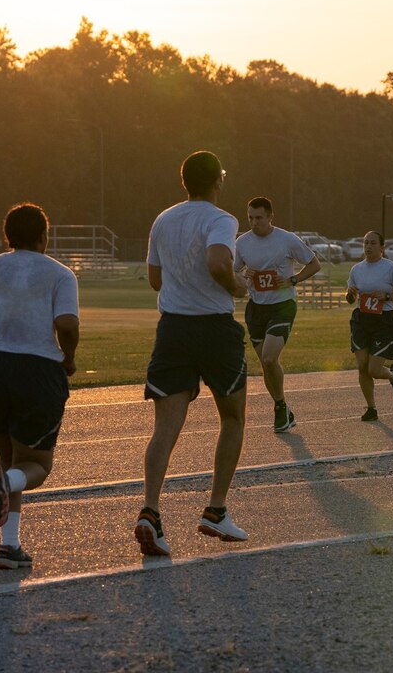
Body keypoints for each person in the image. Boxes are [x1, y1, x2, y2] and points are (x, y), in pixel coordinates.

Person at [135, 150, 249, 557]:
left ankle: (150, 510)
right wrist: (237, 286)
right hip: (215, 329)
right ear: (218, 181)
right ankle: (215, 510)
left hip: (172, 329)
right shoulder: (222, 220)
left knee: (165, 428)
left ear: (184, 181)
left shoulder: (163, 219)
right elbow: (218, 261)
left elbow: (154, 279)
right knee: (233, 417)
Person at [0, 203, 79, 570]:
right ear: (45, 236)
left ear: (6, 236)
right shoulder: (60, 274)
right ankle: (5, 482)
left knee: (12, 459)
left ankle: (9, 546)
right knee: (36, 464)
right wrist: (68, 358)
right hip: (36, 369)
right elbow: (68, 325)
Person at [234, 197, 322, 433]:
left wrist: (293, 279)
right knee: (266, 363)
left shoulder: (287, 239)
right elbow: (235, 277)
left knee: (270, 357)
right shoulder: (242, 243)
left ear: (271, 217)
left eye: (259, 218)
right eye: (250, 217)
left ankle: (280, 407)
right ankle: (281, 407)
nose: (254, 222)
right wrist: (245, 275)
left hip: (282, 305)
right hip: (256, 308)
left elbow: (314, 264)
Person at [345, 231, 393, 421]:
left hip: (383, 320)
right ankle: (371, 408)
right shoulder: (356, 269)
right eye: (365, 243)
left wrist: (388, 296)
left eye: (373, 243)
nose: (368, 247)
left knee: (374, 369)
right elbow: (350, 299)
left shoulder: (390, 268)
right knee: (362, 366)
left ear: (382, 247)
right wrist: (350, 294)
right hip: (361, 320)